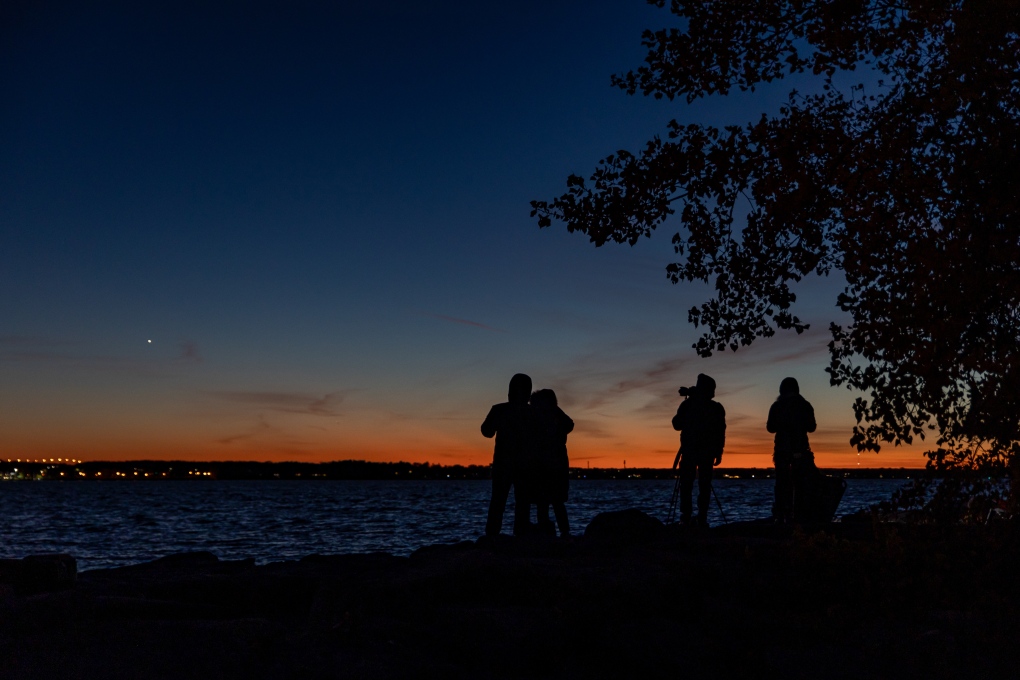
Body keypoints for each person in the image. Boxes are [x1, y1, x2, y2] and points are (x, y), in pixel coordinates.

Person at [481, 373, 533, 537]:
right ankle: (521, 535)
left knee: (498, 501)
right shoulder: (532, 412)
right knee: (523, 502)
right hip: (525, 464)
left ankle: (492, 535)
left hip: (503, 463)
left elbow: (486, 431)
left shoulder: (499, 409)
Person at [671, 373, 726, 527]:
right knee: (703, 485)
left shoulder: (689, 405)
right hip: (706, 452)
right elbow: (720, 432)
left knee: (687, 485)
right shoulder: (715, 408)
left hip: (690, 451)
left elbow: (676, 424)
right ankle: (701, 517)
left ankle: (686, 517)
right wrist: (718, 451)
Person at [767, 377, 817, 523]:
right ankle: (799, 517)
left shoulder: (776, 406)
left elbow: (770, 428)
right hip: (800, 450)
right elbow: (812, 427)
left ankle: (782, 515)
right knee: (800, 485)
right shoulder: (805, 405)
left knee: (782, 484)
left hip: (782, 451)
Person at [528, 389, 573, 537]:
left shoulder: (552, 417)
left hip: (552, 465)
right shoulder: (543, 418)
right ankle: (553, 532)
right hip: (546, 465)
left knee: (552, 502)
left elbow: (569, 425)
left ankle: (559, 532)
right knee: (547, 503)